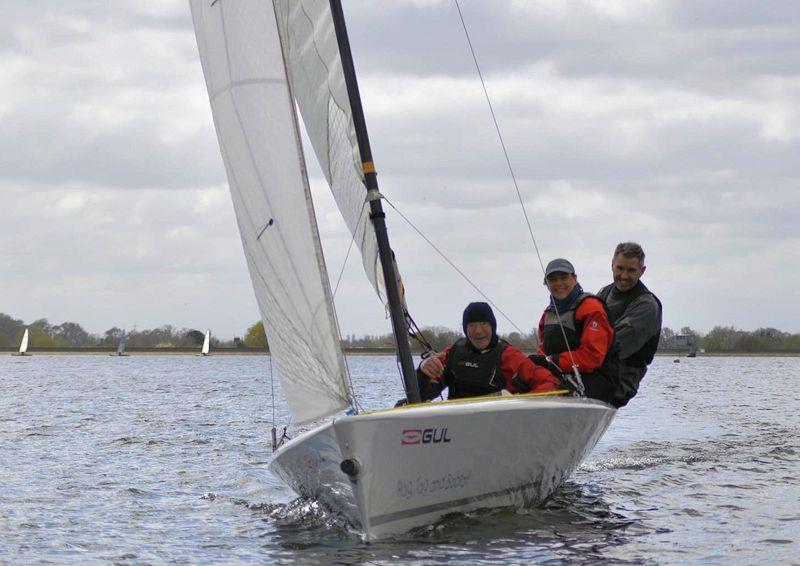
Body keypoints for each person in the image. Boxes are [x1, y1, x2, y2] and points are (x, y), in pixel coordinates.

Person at [413, 302, 560, 401]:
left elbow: (550, 383)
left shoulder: (509, 356)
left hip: (499, 428)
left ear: (492, 326)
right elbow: (422, 395)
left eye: (483, 324)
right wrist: (422, 369)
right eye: (472, 325)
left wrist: (519, 403)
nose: (478, 331)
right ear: (465, 328)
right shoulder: (452, 354)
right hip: (459, 428)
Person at [532, 258, 618, 405]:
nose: (559, 284)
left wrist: (551, 362)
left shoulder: (591, 308)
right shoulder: (547, 315)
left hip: (596, 382)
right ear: (546, 284)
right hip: (563, 379)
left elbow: (592, 357)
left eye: (564, 277)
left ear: (575, 278)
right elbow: (542, 353)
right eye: (552, 279)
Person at [597, 242, 662, 407]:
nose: (624, 276)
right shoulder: (603, 294)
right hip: (593, 371)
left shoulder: (647, 306)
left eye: (631, 270)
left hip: (619, 383)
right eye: (620, 268)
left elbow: (611, 346)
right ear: (612, 265)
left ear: (642, 271)